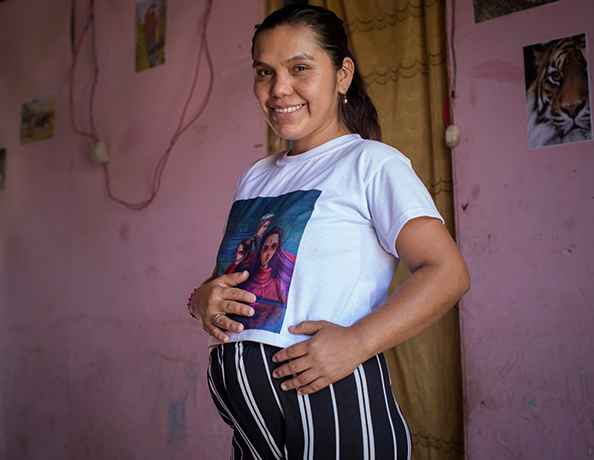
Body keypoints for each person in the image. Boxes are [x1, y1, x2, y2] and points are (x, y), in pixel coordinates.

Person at [188, 5, 470, 459]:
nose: (279, 89)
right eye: (265, 72)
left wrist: (357, 342)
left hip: (331, 405)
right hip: (253, 429)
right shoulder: (255, 176)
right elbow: (244, 280)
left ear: (342, 75)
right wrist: (202, 297)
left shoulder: (372, 164)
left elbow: (448, 273)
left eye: (300, 68)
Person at [234, 226, 294, 332]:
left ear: (277, 250)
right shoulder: (245, 280)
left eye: (273, 247)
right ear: (260, 252)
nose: (269, 253)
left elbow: (278, 318)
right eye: (266, 248)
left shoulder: (278, 285)